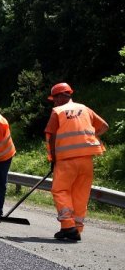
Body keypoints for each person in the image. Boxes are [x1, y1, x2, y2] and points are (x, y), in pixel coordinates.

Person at [45, 82, 108, 241]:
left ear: (60, 97)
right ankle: (76, 229)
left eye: (54, 98)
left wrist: (53, 158)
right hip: (86, 160)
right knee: (80, 194)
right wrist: (90, 137)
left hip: (66, 160)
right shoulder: (85, 109)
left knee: (60, 190)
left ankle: (68, 225)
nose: (54, 102)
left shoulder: (57, 111)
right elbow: (104, 126)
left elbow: (51, 137)